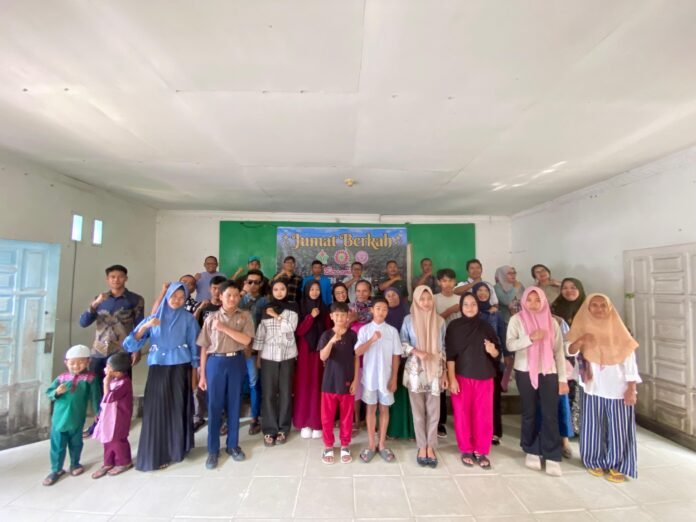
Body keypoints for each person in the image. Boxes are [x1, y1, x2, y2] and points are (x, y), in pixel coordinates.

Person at [124, 282, 200, 471]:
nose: (177, 300)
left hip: (180, 368)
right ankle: (156, 453)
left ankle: (177, 449)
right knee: (156, 410)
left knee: (177, 408)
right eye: (174, 296)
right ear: (167, 297)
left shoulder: (188, 319)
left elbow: (195, 346)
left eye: (182, 298)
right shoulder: (153, 318)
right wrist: (145, 327)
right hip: (158, 368)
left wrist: (196, 371)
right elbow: (130, 345)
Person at [567, 294, 640, 483]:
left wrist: (631, 389)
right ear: (587, 308)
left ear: (609, 308)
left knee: (619, 429)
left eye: (603, 305)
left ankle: (617, 464)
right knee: (593, 427)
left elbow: (630, 362)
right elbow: (570, 350)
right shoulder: (582, 327)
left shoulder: (619, 331)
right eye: (594, 305)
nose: (599, 309)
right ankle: (593, 460)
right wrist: (580, 341)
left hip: (618, 389)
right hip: (592, 388)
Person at [506, 287, 567, 477]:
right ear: (524, 301)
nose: (533, 304)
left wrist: (562, 379)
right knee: (529, 412)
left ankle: (552, 454)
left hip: (549, 372)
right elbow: (510, 344)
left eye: (537, 300)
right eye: (529, 300)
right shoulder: (517, 320)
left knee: (550, 413)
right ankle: (531, 449)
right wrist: (530, 338)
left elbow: (559, 352)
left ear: (544, 301)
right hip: (525, 371)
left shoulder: (552, 322)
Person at [79, 264, 143, 436]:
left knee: (121, 389)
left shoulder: (135, 299)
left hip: (122, 351)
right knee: (98, 389)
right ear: (107, 279)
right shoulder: (100, 299)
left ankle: (120, 423)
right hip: (99, 350)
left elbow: (139, 326)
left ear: (126, 278)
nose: (116, 280)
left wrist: (137, 348)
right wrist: (95, 304)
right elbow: (83, 322)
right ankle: (99, 423)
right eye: (112, 277)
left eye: (120, 276)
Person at [197, 281, 255, 469]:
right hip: (215, 363)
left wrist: (223, 328)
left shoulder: (245, 316)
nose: (233, 298)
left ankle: (233, 445)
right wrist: (202, 376)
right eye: (228, 295)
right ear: (220, 296)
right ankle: (213, 450)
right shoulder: (211, 318)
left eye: (236, 295)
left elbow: (246, 340)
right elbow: (204, 347)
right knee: (214, 406)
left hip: (236, 361)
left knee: (234, 405)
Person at [446, 294, 500, 469]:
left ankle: (481, 450)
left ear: (478, 306)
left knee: (483, 415)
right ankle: (466, 449)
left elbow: (497, 353)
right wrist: (451, 379)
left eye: (473, 304)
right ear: (461, 307)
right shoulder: (454, 327)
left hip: (484, 377)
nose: (470, 307)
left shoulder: (486, 326)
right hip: (461, 377)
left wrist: (492, 350)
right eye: (466, 304)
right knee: (462, 414)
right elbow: (450, 355)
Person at [400, 286, 447, 467]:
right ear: (416, 301)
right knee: (418, 412)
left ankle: (431, 446)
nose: (426, 302)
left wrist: (445, 373)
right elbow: (402, 343)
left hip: (435, 370)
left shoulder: (440, 321)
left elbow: (443, 349)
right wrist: (416, 351)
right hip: (415, 371)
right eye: (422, 299)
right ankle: (421, 446)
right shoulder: (408, 320)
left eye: (429, 299)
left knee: (434, 412)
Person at [43, 344, 100, 486]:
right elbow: (49, 392)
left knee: (76, 443)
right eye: (72, 363)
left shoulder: (91, 378)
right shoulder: (61, 378)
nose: (76, 366)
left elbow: (96, 397)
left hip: (77, 418)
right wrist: (57, 392)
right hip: (59, 419)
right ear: (66, 363)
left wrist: (98, 413)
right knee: (57, 445)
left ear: (88, 362)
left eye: (81, 362)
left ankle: (75, 464)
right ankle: (56, 470)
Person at [355, 298, 402, 463]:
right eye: (378, 308)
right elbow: (357, 352)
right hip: (369, 377)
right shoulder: (365, 330)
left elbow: (396, 356)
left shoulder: (392, 331)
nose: (381, 311)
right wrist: (372, 340)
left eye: (384, 309)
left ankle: (381, 444)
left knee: (384, 409)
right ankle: (371, 444)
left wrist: (394, 378)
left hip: (386, 377)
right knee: (370, 409)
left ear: (387, 312)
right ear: (372, 310)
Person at [253, 281, 299, 447]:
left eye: (282, 289)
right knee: (269, 394)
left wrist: (276, 315)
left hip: (287, 356)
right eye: (276, 289)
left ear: (287, 290)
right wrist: (259, 357)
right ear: (271, 291)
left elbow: (290, 328)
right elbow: (260, 334)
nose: (279, 292)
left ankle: (283, 428)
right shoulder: (265, 309)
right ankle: (269, 429)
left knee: (286, 393)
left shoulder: (292, 309)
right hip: (268, 356)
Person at [318, 302, 359, 464]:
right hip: (329, 383)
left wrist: (356, 380)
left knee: (347, 417)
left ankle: (345, 445)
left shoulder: (352, 335)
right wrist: (332, 341)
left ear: (347, 316)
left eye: (343, 315)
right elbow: (322, 356)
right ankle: (328, 446)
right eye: (337, 315)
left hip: (347, 382)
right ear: (331, 316)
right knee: (327, 417)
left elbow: (356, 358)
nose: (340, 318)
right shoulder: (326, 335)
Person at [472, 282, 506, 445]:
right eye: (479, 290)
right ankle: (476, 430)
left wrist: (506, 357)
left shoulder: (496, 314)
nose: (483, 293)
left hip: (493, 359)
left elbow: (502, 336)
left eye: (486, 290)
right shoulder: (469, 312)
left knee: (493, 398)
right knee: (475, 399)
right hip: (473, 361)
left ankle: (494, 431)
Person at [294, 281, 330, 438]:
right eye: (312, 289)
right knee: (304, 385)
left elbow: (328, 331)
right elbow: (299, 331)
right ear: (307, 291)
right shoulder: (300, 307)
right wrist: (310, 317)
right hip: (304, 350)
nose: (315, 292)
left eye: (317, 289)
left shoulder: (325, 308)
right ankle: (304, 422)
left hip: (319, 351)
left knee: (317, 384)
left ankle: (317, 423)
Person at [191, 274, 227, 432]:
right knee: (200, 385)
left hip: (221, 351)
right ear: (209, 289)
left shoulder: (226, 308)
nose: (217, 292)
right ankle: (198, 416)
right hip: (204, 350)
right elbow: (193, 326)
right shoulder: (204, 307)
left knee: (220, 387)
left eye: (220, 289)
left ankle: (221, 418)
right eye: (214, 288)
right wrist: (199, 308)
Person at [552, 277, 587, 435]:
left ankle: (583, 427)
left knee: (584, 391)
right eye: (565, 288)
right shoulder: (555, 308)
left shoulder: (589, 308)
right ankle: (567, 429)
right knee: (567, 392)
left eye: (573, 287)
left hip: (586, 355)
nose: (569, 291)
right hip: (563, 357)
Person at [91, 352, 133, 478]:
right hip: (108, 416)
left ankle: (124, 462)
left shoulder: (125, 383)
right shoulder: (114, 380)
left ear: (118, 372)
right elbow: (104, 402)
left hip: (119, 417)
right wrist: (100, 412)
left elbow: (109, 398)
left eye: (109, 368)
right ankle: (108, 462)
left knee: (117, 439)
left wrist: (106, 383)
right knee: (107, 439)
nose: (106, 369)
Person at [239, 269, 269, 435]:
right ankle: (230, 419)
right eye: (250, 281)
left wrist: (257, 350)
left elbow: (264, 327)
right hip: (235, 348)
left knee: (254, 384)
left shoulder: (265, 301)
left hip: (254, 349)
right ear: (245, 282)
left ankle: (254, 419)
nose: (253, 285)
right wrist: (242, 293)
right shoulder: (237, 298)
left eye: (256, 282)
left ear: (261, 284)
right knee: (235, 384)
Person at [433, 268, 461, 438]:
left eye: (450, 280)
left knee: (460, 382)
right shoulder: (433, 299)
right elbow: (432, 322)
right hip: (440, 344)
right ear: (439, 282)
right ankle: (440, 422)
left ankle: (461, 420)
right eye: (444, 280)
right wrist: (450, 310)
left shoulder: (461, 299)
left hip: (459, 344)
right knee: (442, 384)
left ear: (455, 281)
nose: (448, 284)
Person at [384, 287, 415, 441]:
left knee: (410, 397)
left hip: (408, 360)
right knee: (393, 395)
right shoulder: (382, 315)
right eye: (388, 295)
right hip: (388, 361)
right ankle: (394, 429)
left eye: (394, 294)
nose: (391, 297)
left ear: (400, 296)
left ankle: (411, 431)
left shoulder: (408, 314)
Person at [494, 265, 525, 391]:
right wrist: (515, 288)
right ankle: (504, 382)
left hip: (520, 322)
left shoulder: (519, 285)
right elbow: (506, 300)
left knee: (519, 352)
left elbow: (525, 300)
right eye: (509, 273)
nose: (513, 275)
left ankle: (513, 381)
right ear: (502, 275)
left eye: (514, 272)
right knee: (508, 354)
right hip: (505, 323)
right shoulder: (497, 287)